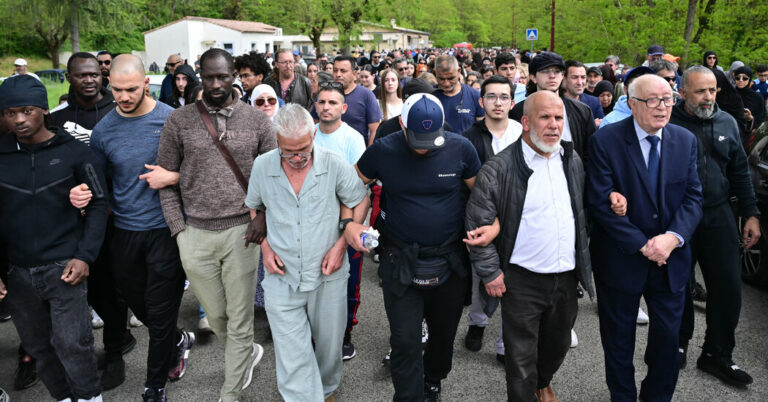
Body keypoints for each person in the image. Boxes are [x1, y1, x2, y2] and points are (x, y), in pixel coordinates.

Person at [157, 48, 274, 402]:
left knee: (239, 318)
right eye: (209, 77)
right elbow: (164, 179)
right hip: (194, 233)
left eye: (223, 76)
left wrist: (263, 216)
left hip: (243, 232)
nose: (216, 84)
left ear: (234, 75)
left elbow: (274, 177)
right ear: (200, 77)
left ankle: (230, 392)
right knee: (217, 316)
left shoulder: (257, 121)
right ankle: (247, 352)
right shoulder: (179, 121)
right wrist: (179, 230)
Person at [465, 89, 594, 402]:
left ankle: (543, 382)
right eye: (545, 117)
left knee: (558, 345)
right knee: (520, 358)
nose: (554, 124)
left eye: (559, 118)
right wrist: (490, 273)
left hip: (566, 275)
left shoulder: (571, 159)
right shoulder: (498, 168)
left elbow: (580, 212)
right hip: (521, 279)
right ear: (525, 122)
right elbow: (476, 225)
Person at [79, 54, 195, 402]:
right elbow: (99, 183)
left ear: (146, 83)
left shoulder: (171, 119)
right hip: (124, 233)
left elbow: (201, 172)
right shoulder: (103, 131)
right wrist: (80, 193)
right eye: (117, 89)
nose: (124, 96)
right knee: (140, 307)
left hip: (166, 229)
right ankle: (178, 340)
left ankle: (153, 387)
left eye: (131, 89)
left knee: (159, 313)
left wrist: (172, 177)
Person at [355, 93, 481, 401]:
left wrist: (492, 227)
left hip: (449, 260)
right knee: (405, 340)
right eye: (417, 139)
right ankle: (407, 396)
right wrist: (351, 223)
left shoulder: (461, 148)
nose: (424, 147)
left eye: (431, 139)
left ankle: (433, 380)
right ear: (402, 124)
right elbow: (354, 185)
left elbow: (481, 195)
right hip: (400, 258)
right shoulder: (383, 150)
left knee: (443, 336)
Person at [586, 74, 703, 402]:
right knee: (618, 341)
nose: (662, 107)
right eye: (653, 100)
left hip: (670, 259)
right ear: (632, 104)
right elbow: (600, 201)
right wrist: (642, 244)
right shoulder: (606, 140)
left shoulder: (685, 140)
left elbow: (693, 197)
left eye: (668, 99)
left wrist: (672, 238)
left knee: (667, 340)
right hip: (621, 259)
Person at [245, 103, 367, 401]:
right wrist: (265, 248)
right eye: (289, 151)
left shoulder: (334, 163)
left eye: (303, 149)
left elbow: (359, 199)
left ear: (313, 135)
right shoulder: (262, 165)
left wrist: (341, 245)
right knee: (292, 353)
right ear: (277, 141)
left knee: (329, 347)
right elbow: (254, 207)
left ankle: (325, 390)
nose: (297, 157)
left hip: (328, 273)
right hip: (281, 276)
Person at [0, 74, 108, 402]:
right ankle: (63, 397)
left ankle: (89, 397)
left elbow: (100, 204)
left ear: (44, 110)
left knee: (73, 344)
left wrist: (84, 256)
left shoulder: (75, 152)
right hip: (17, 272)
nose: (19, 120)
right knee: (38, 347)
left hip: (64, 268)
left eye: (27, 111)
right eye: (10, 113)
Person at [51, 52, 137, 391]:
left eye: (94, 74)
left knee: (113, 289)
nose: (89, 79)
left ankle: (115, 351)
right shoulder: (56, 119)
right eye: (81, 75)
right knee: (84, 290)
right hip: (73, 218)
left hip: (117, 215)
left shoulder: (120, 110)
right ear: (68, 78)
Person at [670, 66, 759, 387]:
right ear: (683, 93)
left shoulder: (727, 122)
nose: (708, 97)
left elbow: (740, 171)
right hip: (679, 216)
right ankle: (677, 344)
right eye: (700, 92)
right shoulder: (669, 123)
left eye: (712, 90)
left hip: (719, 214)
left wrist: (751, 213)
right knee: (677, 286)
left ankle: (717, 354)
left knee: (728, 287)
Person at [461, 75, 522, 362]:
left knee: (515, 281)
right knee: (481, 276)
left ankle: (504, 342)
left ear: (512, 102)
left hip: (517, 217)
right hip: (480, 218)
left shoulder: (523, 132)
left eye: (504, 97)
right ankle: (477, 322)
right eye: (491, 96)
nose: (498, 102)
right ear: (481, 101)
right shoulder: (469, 138)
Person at [510, 52, 595, 165]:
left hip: (571, 173)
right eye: (545, 71)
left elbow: (590, 153)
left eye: (557, 71)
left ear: (562, 76)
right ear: (533, 77)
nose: (552, 76)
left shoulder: (582, 111)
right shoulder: (518, 111)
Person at [433, 54, 485, 135]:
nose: (446, 83)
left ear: (459, 71)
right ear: (435, 73)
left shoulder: (475, 95)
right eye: (441, 79)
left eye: (451, 78)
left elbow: (482, 130)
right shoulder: (429, 96)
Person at [733, 66, 766, 141]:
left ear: (749, 79)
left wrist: (750, 118)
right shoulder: (729, 95)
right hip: (729, 131)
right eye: (738, 78)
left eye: (744, 78)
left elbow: (761, 117)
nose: (740, 80)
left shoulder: (757, 97)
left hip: (748, 135)